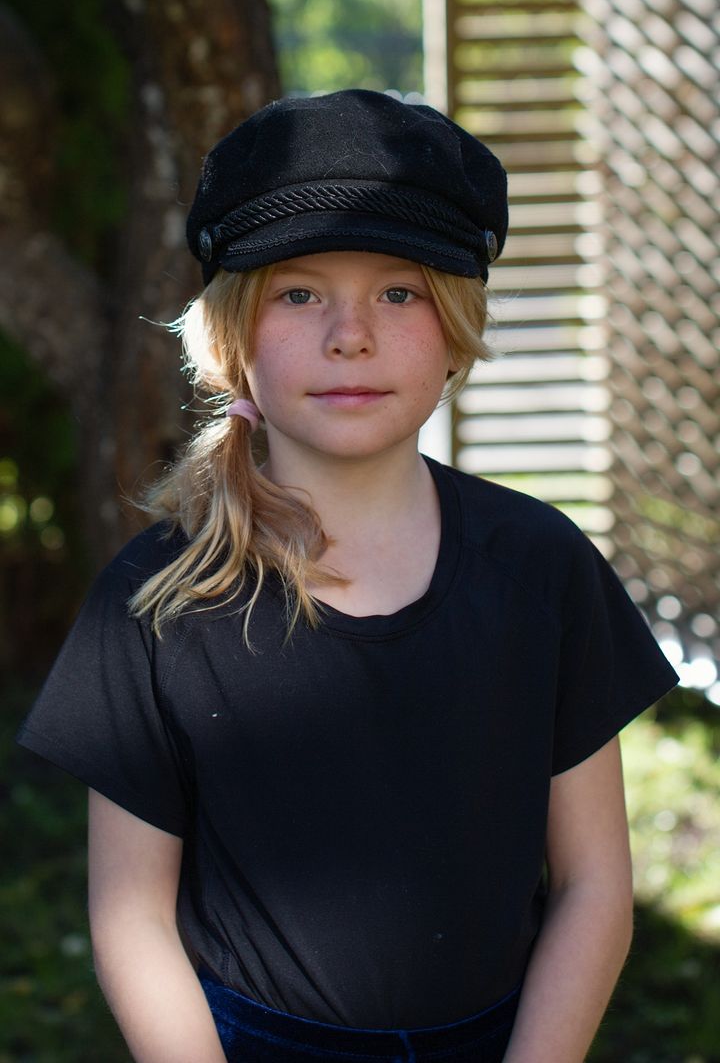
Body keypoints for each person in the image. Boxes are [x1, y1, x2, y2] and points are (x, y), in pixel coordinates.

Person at [17, 89, 678, 1063]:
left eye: (399, 292)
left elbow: (593, 886)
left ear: (456, 326)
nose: (350, 334)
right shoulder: (156, 598)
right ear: (234, 336)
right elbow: (130, 916)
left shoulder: (541, 564)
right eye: (299, 293)